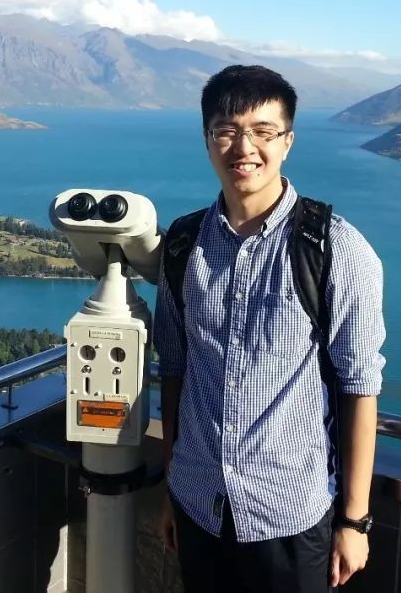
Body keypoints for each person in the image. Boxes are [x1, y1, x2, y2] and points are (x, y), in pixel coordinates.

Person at [154, 64, 386, 593]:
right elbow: (176, 372)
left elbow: (359, 386)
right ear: (207, 139)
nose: (244, 148)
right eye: (226, 131)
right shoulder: (184, 245)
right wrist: (171, 489)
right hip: (198, 503)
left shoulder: (333, 249)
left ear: (288, 142)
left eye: (263, 131)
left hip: (289, 514)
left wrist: (354, 522)